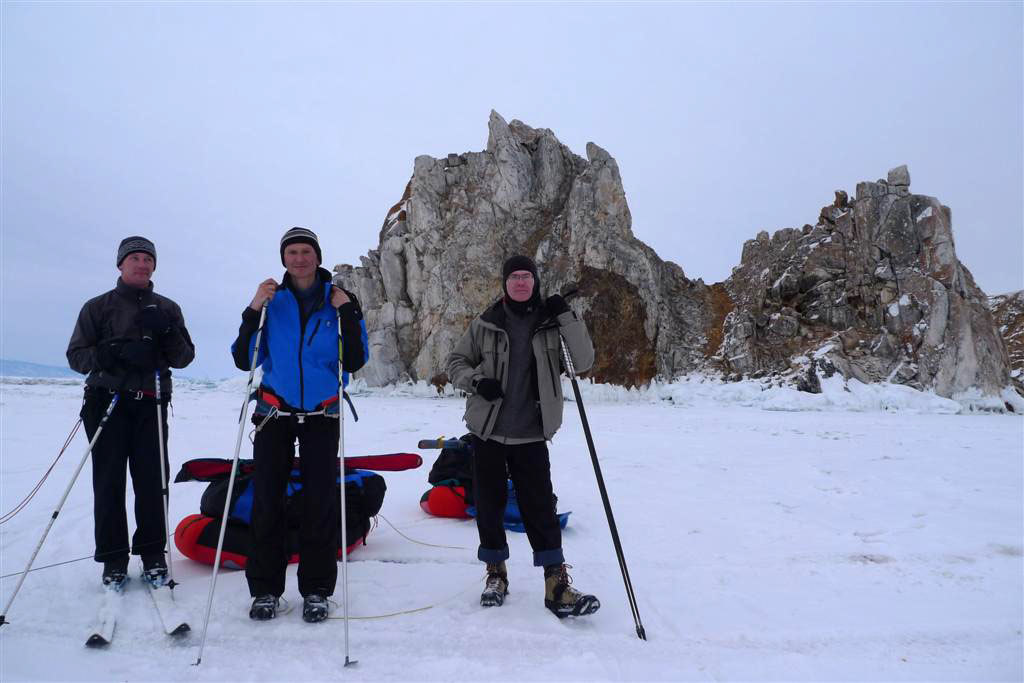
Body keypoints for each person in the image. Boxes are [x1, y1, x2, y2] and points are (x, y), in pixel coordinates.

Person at [446, 255, 601, 618]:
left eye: (526, 277)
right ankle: (496, 574)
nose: (520, 282)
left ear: (535, 282)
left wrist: (566, 316)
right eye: (514, 276)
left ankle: (556, 585)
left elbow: (583, 361)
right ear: (505, 283)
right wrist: (477, 381)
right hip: (488, 431)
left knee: (540, 508)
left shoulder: (551, 323)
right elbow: (455, 363)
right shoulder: (485, 323)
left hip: (531, 432)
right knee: (489, 507)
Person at [231, 227, 368, 623]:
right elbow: (244, 359)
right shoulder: (272, 302)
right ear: (284, 258)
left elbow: (355, 359)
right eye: (292, 252)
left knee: (320, 503)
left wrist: (347, 311)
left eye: (306, 251)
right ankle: (265, 590)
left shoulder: (338, 301)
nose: (299, 259)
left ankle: (317, 590)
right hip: (274, 414)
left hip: (322, 416)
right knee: (267, 501)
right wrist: (253, 308)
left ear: (317, 257)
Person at [66, 236, 195, 589]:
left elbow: (184, 357)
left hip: (151, 402)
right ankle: (113, 559)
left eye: (147, 259)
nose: (142, 264)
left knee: (153, 481)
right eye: (135, 258)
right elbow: (76, 356)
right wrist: (112, 353)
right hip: (106, 401)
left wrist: (166, 330)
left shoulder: (167, 308)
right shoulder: (98, 307)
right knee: (108, 482)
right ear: (121, 264)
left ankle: (152, 554)